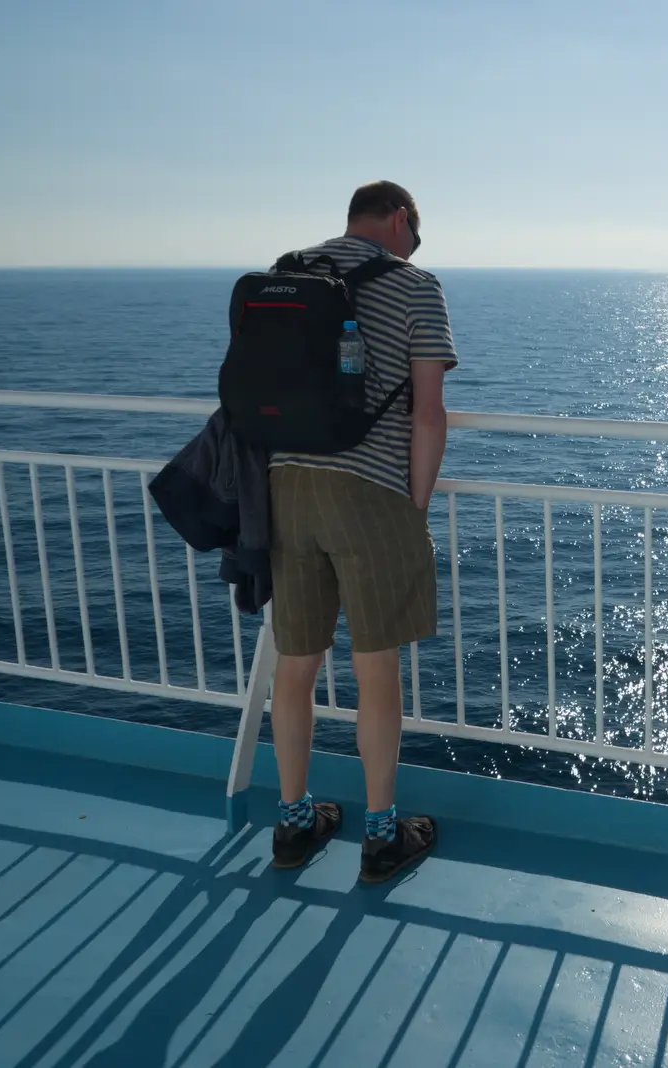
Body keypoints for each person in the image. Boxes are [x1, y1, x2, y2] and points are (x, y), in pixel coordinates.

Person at [267, 180, 455, 883]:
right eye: (415, 232)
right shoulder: (415, 286)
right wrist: (414, 503)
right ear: (400, 219)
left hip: (284, 486)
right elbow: (429, 411)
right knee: (374, 666)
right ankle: (380, 836)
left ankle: (294, 825)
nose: (414, 246)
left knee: (296, 663)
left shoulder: (289, 271)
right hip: (369, 490)